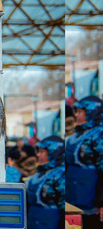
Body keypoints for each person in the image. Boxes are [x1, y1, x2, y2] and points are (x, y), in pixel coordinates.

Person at [66, 95, 103, 228]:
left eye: (81, 112)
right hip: (73, 203)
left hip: (92, 207)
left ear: (92, 112)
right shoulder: (75, 137)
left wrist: (101, 203)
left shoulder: (99, 135)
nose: (76, 115)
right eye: (76, 111)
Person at [26, 135, 65, 228]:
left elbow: (65, 211)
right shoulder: (40, 173)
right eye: (38, 151)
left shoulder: (61, 175)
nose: (38, 155)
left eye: (42, 152)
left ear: (54, 153)